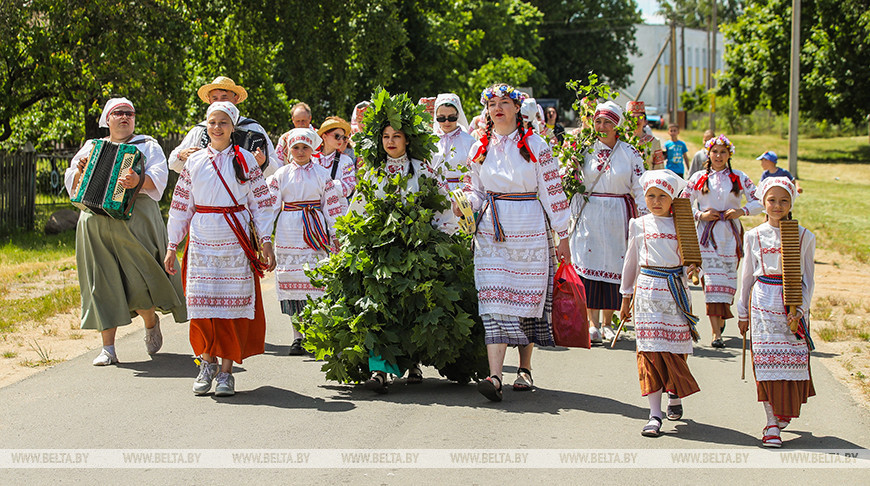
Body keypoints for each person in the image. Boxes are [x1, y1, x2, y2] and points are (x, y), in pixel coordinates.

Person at [458, 83, 571, 402]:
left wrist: (563, 234)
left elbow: (552, 190)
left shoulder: (536, 144)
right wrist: (464, 202)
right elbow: (475, 190)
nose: (498, 108)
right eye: (492, 103)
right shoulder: (479, 146)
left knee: (524, 301)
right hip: (491, 232)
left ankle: (524, 368)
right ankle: (494, 377)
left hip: (529, 227)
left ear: (517, 108)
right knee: (493, 302)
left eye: (504, 102)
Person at [165, 101, 277, 396]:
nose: (217, 127)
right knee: (201, 307)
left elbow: (261, 203)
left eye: (223, 122)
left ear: (233, 127)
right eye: (212, 122)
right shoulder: (194, 161)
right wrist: (171, 245)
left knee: (230, 308)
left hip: (235, 238)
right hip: (201, 238)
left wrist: (266, 241)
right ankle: (206, 363)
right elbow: (180, 206)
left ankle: (226, 372)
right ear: (206, 125)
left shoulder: (246, 160)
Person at [65, 98, 187, 366]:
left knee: (139, 280)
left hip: (136, 220)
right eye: (118, 113)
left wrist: (138, 180)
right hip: (95, 221)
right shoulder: (92, 147)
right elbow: (72, 181)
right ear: (107, 119)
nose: (124, 117)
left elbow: (160, 179)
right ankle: (108, 348)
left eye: (129, 114)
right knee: (102, 282)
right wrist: (81, 172)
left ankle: (150, 321)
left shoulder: (147, 144)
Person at [620, 169, 701, 437]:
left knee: (675, 350)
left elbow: (692, 258)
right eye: (651, 196)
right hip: (647, 294)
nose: (656, 201)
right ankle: (654, 414)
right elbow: (631, 262)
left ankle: (674, 392)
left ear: (672, 198)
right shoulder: (638, 224)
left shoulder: (684, 224)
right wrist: (626, 296)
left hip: (675, 292)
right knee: (650, 352)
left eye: (662, 196)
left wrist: (693, 267)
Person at [737, 177, 815, 447]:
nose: (777, 205)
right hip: (761, 304)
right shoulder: (754, 235)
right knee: (766, 364)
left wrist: (801, 309)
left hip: (791, 305)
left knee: (792, 362)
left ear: (792, 201)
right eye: (772, 200)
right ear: (763, 202)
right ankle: (771, 422)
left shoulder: (804, 236)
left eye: (784, 200)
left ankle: (783, 413)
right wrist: (742, 312)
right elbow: (746, 276)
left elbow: (808, 279)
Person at [568, 101, 646, 345]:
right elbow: (568, 179)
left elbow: (640, 187)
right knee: (588, 262)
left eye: (607, 122)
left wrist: (645, 219)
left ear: (617, 126)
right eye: (598, 121)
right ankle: (591, 323)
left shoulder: (630, 153)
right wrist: (569, 168)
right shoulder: (584, 149)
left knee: (616, 264)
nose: (601, 126)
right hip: (590, 212)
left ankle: (607, 322)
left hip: (617, 214)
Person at [267, 128, 347, 356]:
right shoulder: (281, 175)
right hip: (289, 231)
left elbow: (331, 206)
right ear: (289, 150)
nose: (300, 152)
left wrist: (335, 234)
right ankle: (297, 336)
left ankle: (314, 333)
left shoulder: (322, 174)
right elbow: (270, 207)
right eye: (296, 148)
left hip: (315, 231)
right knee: (292, 284)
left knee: (315, 282)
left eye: (304, 147)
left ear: (312, 149)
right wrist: (263, 237)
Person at [681, 135, 762, 348]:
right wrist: (700, 215)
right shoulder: (699, 177)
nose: (718, 156)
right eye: (714, 152)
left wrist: (741, 210)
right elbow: (682, 203)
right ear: (708, 154)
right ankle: (716, 333)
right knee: (712, 282)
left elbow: (759, 200)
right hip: (707, 236)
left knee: (727, 281)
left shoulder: (739, 177)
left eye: (723, 152)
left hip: (730, 235)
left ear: (729, 155)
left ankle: (722, 316)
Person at [168, 76, 280, 176]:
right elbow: (172, 164)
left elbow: (276, 169)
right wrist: (181, 155)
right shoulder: (200, 130)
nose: (219, 102)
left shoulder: (253, 129)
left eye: (224, 97)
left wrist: (263, 162)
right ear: (209, 100)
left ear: (235, 99)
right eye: (215, 98)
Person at [431, 93, 476, 192]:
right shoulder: (430, 141)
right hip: (434, 192)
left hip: (461, 191)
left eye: (451, 118)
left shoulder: (469, 141)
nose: (446, 122)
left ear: (458, 116)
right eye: (441, 118)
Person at [315, 116, 357, 200]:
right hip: (315, 208)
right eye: (337, 136)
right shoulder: (312, 158)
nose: (341, 140)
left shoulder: (346, 160)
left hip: (337, 209)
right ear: (324, 136)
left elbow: (349, 187)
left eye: (343, 137)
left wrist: (322, 185)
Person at [626, 101, 665, 170]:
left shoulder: (654, 142)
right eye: (632, 117)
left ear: (645, 121)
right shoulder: (621, 141)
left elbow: (659, 170)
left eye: (640, 117)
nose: (636, 120)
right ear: (627, 120)